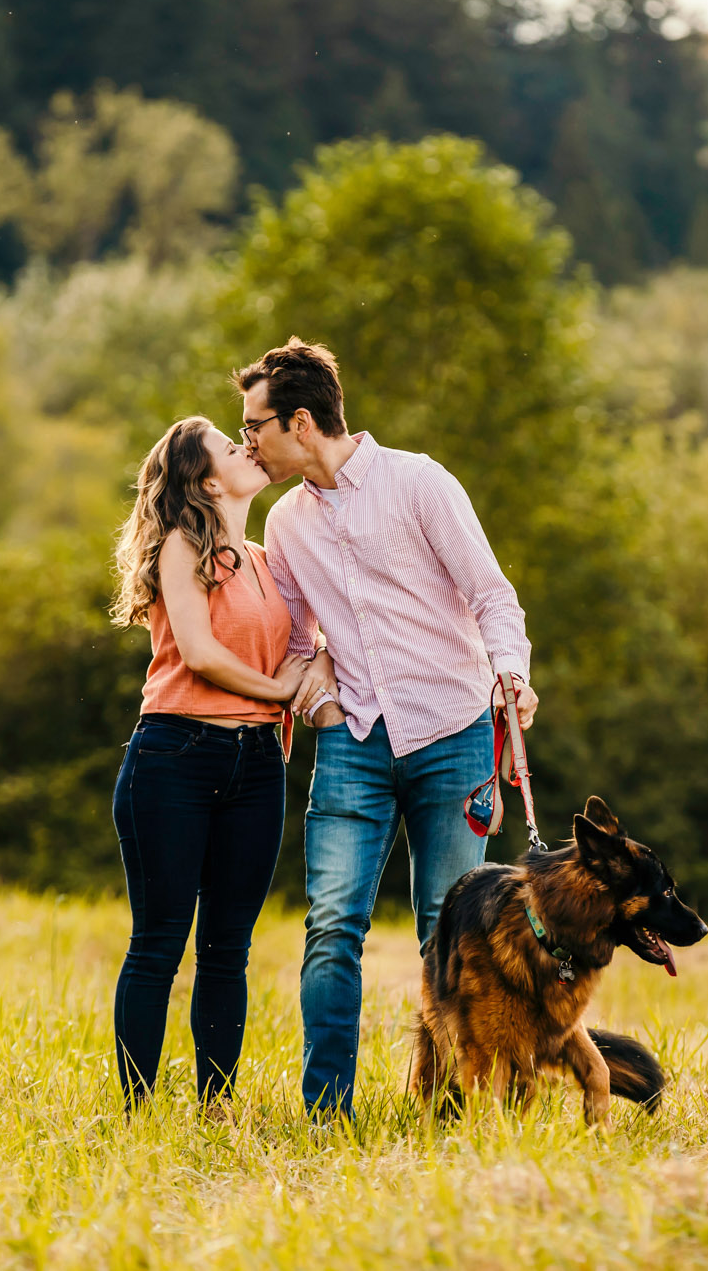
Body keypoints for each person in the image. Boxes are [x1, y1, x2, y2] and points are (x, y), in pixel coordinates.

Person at [236, 338, 539, 1118]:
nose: (247, 443)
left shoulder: (418, 482)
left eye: (255, 426)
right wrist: (323, 705)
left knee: (447, 929)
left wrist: (512, 674)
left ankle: (447, 1105)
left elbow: (492, 595)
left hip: (455, 728)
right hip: (355, 740)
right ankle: (326, 1109)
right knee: (333, 925)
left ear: (300, 422)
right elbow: (301, 644)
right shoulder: (288, 525)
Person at [106, 416, 329, 1109]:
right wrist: (281, 692)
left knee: (228, 946)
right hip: (174, 756)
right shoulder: (181, 547)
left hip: (257, 766)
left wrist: (313, 662)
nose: (247, 450)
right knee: (159, 941)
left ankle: (216, 1102)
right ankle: (139, 1109)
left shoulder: (266, 561)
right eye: (230, 449)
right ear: (207, 480)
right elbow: (199, 654)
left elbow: (313, 639)